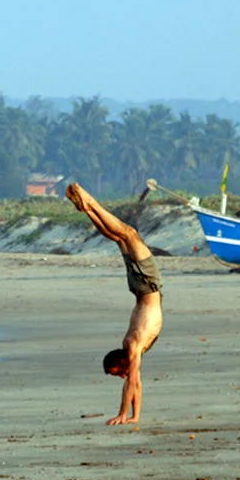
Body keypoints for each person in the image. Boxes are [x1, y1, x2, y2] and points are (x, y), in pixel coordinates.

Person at [66, 181, 163, 426]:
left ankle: (89, 202)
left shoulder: (132, 347)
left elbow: (132, 383)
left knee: (127, 234)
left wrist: (121, 414)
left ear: (121, 363)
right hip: (141, 288)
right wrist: (135, 417)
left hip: (147, 284)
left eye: (117, 372)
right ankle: (87, 209)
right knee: (119, 238)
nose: (121, 377)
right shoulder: (134, 348)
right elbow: (136, 383)